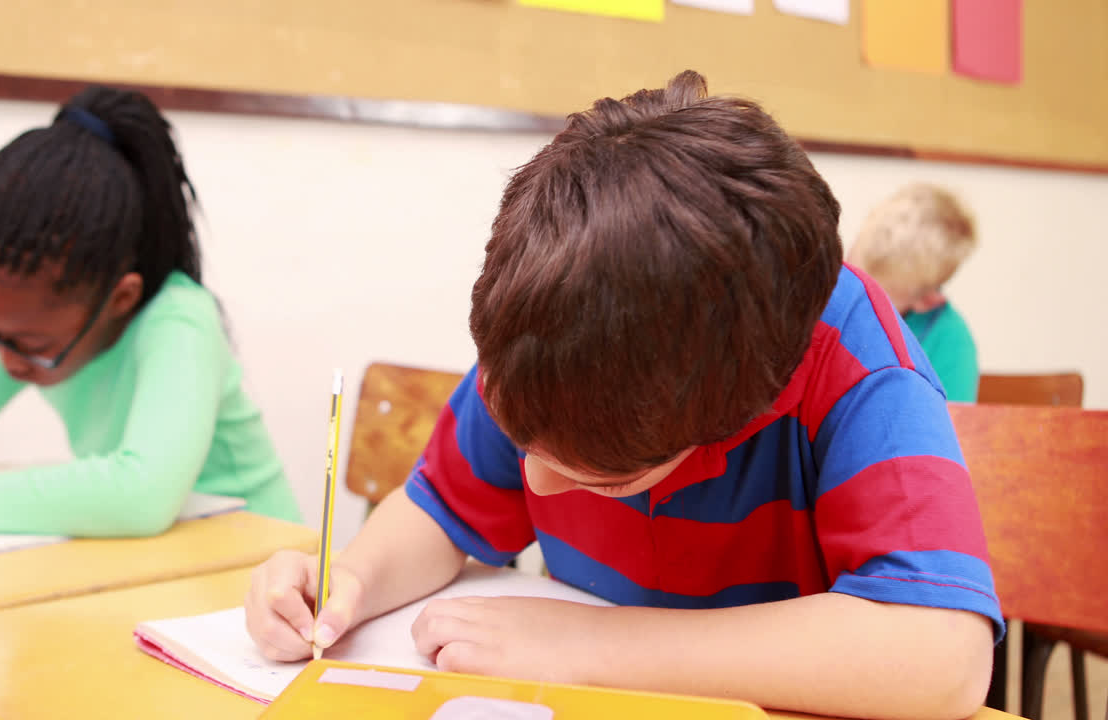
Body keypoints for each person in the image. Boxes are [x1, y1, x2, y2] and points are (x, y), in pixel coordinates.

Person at [244, 71, 1000, 720]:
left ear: (741, 411)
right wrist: (349, 583)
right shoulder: (552, 336)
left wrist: (597, 645)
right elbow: (443, 513)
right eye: (518, 439)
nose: (533, 484)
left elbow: (946, 655)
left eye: (602, 477)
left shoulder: (855, 365)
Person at [0, 86, 299, 535]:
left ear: (119, 300)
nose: (6, 359)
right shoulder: (26, 331)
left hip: (260, 567)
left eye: (32, 346)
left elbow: (141, 493)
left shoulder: (180, 320)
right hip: (164, 569)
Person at [848, 184, 980, 402]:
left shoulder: (951, 343)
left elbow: (950, 431)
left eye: (871, 298)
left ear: (928, 301)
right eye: (848, 271)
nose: (849, 297)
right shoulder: (822, 298)